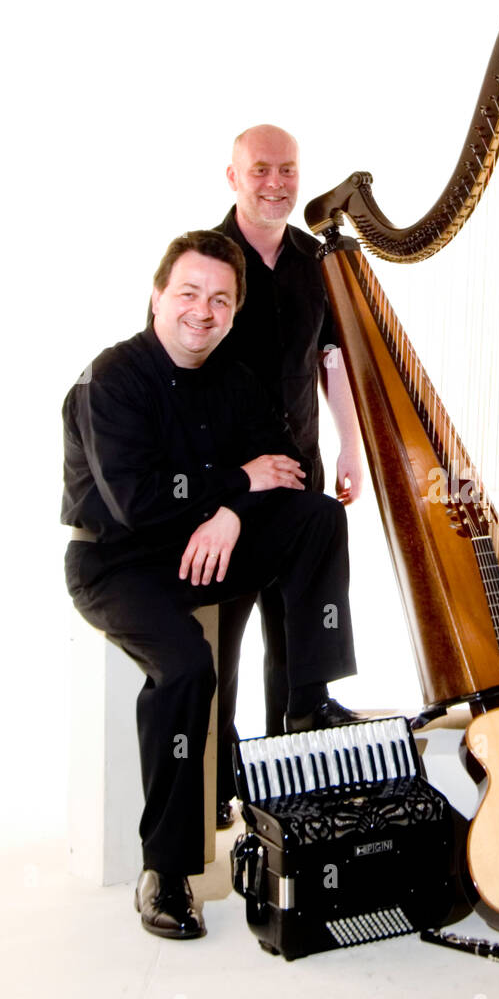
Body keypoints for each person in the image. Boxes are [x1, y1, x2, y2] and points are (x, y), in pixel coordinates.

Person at [63, 231, 358, 939]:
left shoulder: (233, 375)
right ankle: (164, 871)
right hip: (121, 563)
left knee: (316, 518)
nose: (204, 310)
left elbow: (283, 461)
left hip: (209, 544)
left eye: (221, 299)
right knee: (188, 667)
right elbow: (138, 502)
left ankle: (307, 702)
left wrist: (231, 511)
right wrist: (233, 485)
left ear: (232, 312)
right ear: (158, 297)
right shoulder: (109, 380)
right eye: (190, 293)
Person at [211, 125, 365, 826]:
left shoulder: (313, 260)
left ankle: (287, 768)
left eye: (289, 170)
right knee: (223, 638)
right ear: (233, 177)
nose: (276, 182)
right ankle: (213, 786)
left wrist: (350, 447)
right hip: (224, 486)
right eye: (261, 170)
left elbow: (332, 358)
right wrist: (225, 484)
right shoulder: (207, 260)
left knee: (296, 625)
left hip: (298, 472)